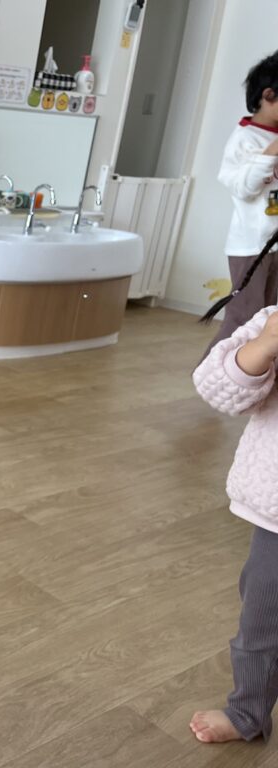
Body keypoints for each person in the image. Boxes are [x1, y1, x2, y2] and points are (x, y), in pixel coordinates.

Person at [191, 230, 278, 744]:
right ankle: (248, 712)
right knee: (261, 625)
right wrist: (262, 348)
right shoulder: (271, 320)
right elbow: (214, 384)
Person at [202, 50, 278, 356]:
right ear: (268, 95)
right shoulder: (245, 139)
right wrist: (272, 150)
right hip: (251, 246)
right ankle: (211, 374)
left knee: (270, 321)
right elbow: (244, 188)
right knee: (244, 318)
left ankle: (257, 378)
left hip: (275, 244)